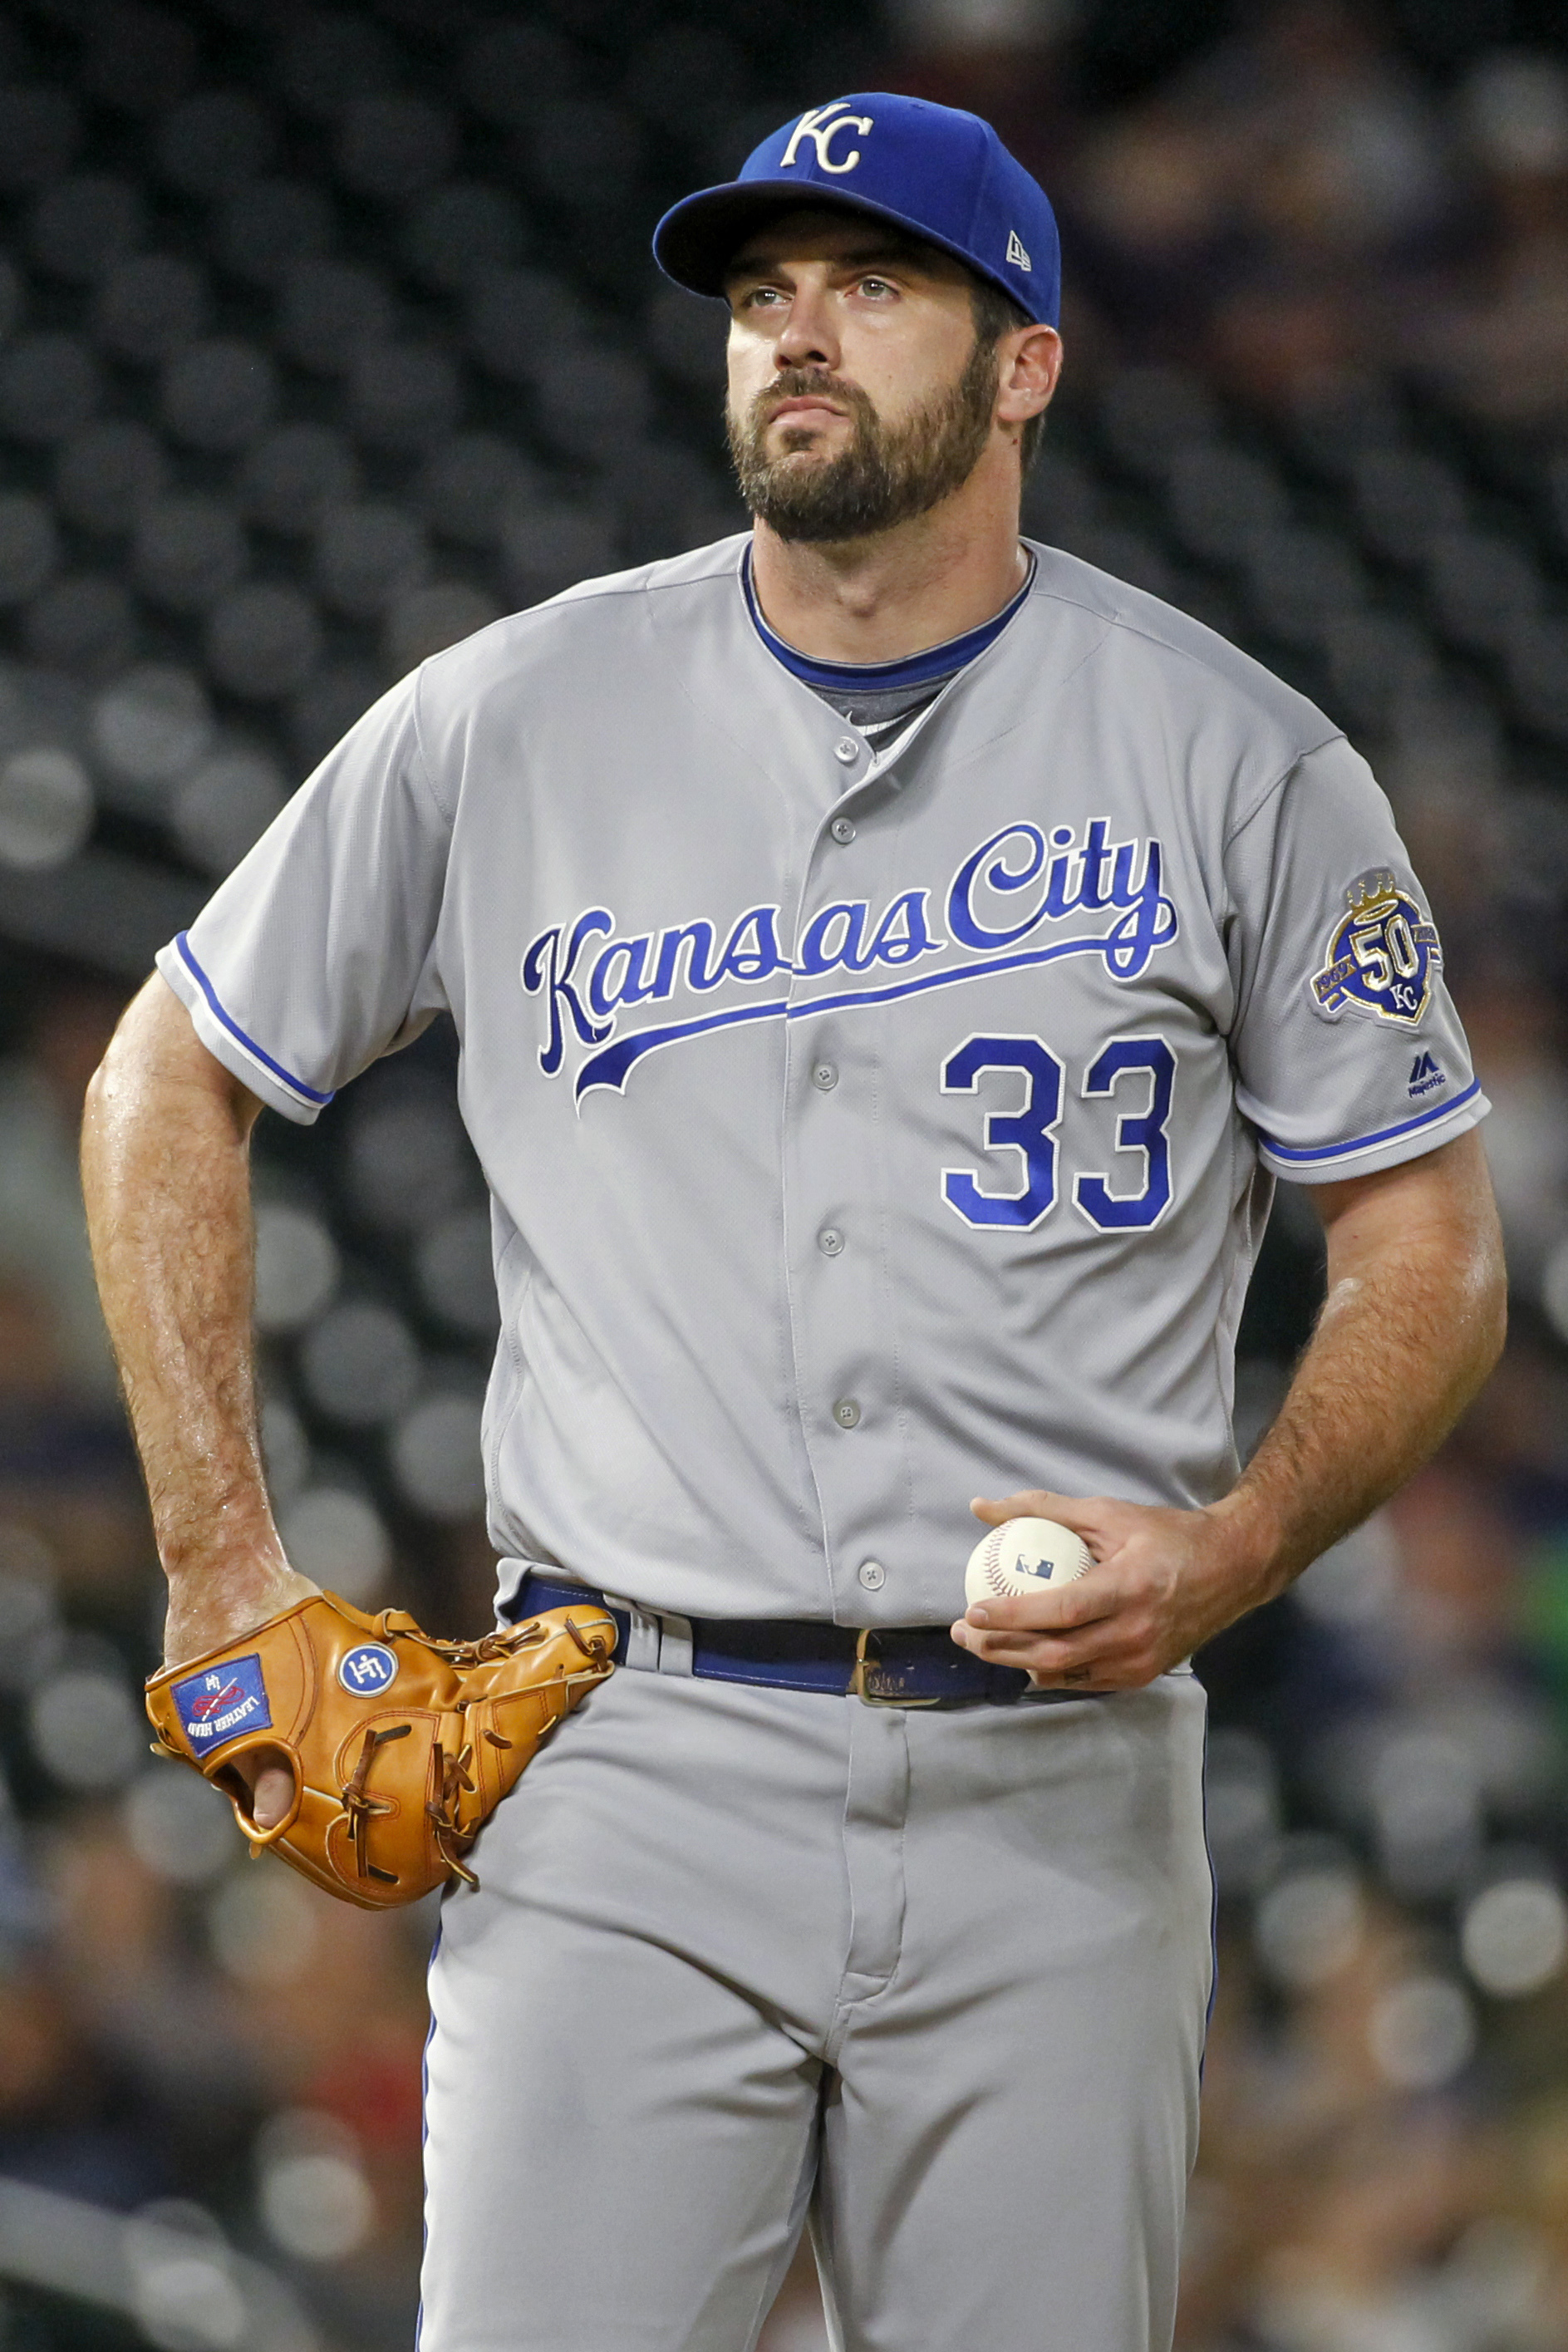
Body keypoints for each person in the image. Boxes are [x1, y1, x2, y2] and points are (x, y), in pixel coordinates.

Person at [81, 93, 1504, 2352]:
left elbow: (1429, 1238)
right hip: (623, 1751)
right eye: (761, 296)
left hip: (1061, 1784)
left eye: (873, 285)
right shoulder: (518, 715)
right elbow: (167, 1074)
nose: (796, 336)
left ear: (1027, 361)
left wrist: (1240, 1545)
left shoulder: (1239, 763)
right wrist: (218, 1565)